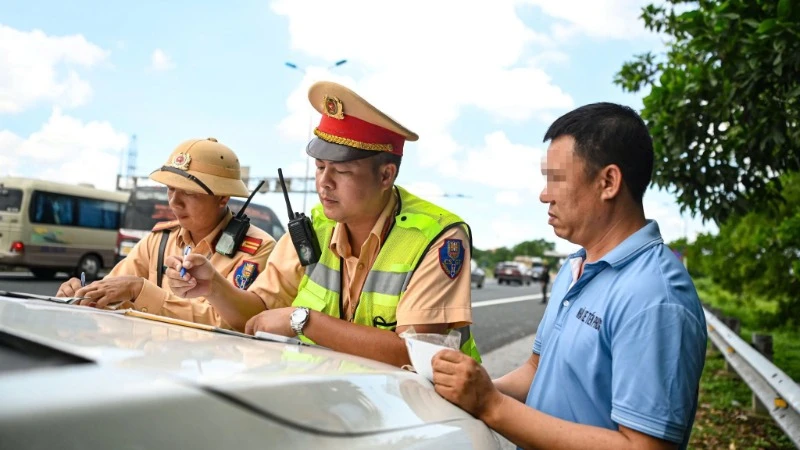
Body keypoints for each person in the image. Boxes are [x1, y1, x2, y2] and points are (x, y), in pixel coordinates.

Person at [431, 103, 707, 450]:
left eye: (556, 178)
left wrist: (491, 405)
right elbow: (536, 369)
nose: (544, 194)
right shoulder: (575, 266)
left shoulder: (655, 297)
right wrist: (468, 390)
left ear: (608, 182)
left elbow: (645, 446)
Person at [166, 81, 480, 367]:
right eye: (319, 167)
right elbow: (259, 313)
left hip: (414, 412)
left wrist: (303, 320)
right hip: (329, 403)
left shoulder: (436, 237)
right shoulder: (315, 225)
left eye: (341, 171)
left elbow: (417, 355)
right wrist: (214, 288)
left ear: (386, 175)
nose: (324, 183)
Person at [56, 137, 275, 329]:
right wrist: (83, 294)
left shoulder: (257, 249)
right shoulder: (158, 241)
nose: (174, 202)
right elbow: (112, 292)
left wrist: (140, 291)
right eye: (170, 189)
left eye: (189, 192)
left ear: (223, 197)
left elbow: (231, 323)